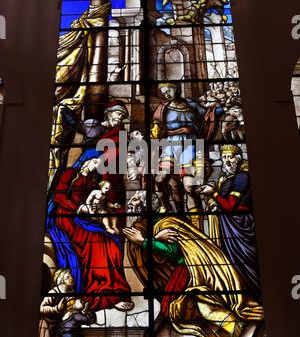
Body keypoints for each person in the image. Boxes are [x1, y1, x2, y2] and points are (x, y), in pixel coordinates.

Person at [124, 215, 264, 337]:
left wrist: (143, 241)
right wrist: (153, 239)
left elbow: (172, 252)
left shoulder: (166, 225)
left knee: (175, 305)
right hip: (187, 267)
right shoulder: (166, 224)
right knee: (173, 304)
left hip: (188, 269)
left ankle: (229, 325)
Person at [47, 157, 133, 312]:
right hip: (67, 217)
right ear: (86, 161)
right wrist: (77, 209)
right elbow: (58, 196)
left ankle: (114, 290)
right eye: (94, 162)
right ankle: (103, 292)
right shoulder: (71, 174)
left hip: (83, 218)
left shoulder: (94, 180)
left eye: (98, 165)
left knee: (111, 242)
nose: (96, 166)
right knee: (97, 242)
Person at [151, 83, 224, 212]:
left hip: (190, 143)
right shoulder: (163, 108)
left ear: (177, 89)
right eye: (164, 92)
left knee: (189, 186)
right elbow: (156, 127)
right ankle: (166, 207)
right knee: (160, 179)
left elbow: (207, 114)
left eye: (168, 90)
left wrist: (218, 108)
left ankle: (195, 219)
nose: (166, 94)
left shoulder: (190, 104)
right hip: (170, 144)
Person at [200, 144, 261, 299]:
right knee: (235, 264)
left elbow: (230, 206)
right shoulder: (229, 178)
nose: (226, 161)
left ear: (238, 159)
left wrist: (213, 194)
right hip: (230, 226)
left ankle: (253, 299)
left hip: (239, 226)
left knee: (243, 264)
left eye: (230, 157)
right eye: (224, 157)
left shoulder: (242, 177)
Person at [36, 269, 75, 337]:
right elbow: (42, 308)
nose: (71, 278)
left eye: (71, 276)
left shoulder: (70, 294)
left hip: (56, 327)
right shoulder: (54, 292)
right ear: (60, 280)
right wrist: (57, 308)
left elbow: (69, 310)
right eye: (68, 277)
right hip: (46, 325)